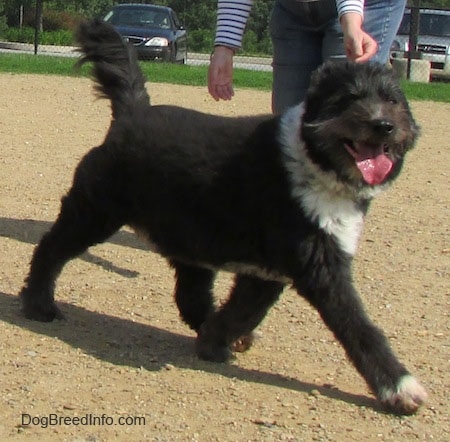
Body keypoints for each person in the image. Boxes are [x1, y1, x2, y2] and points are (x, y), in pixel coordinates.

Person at [208, 0, 407, 113]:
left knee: (348, 111)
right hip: (293, 8)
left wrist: (351, 20)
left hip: (367, 5)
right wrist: (225, 46)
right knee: (288, 119)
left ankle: (352, 184)